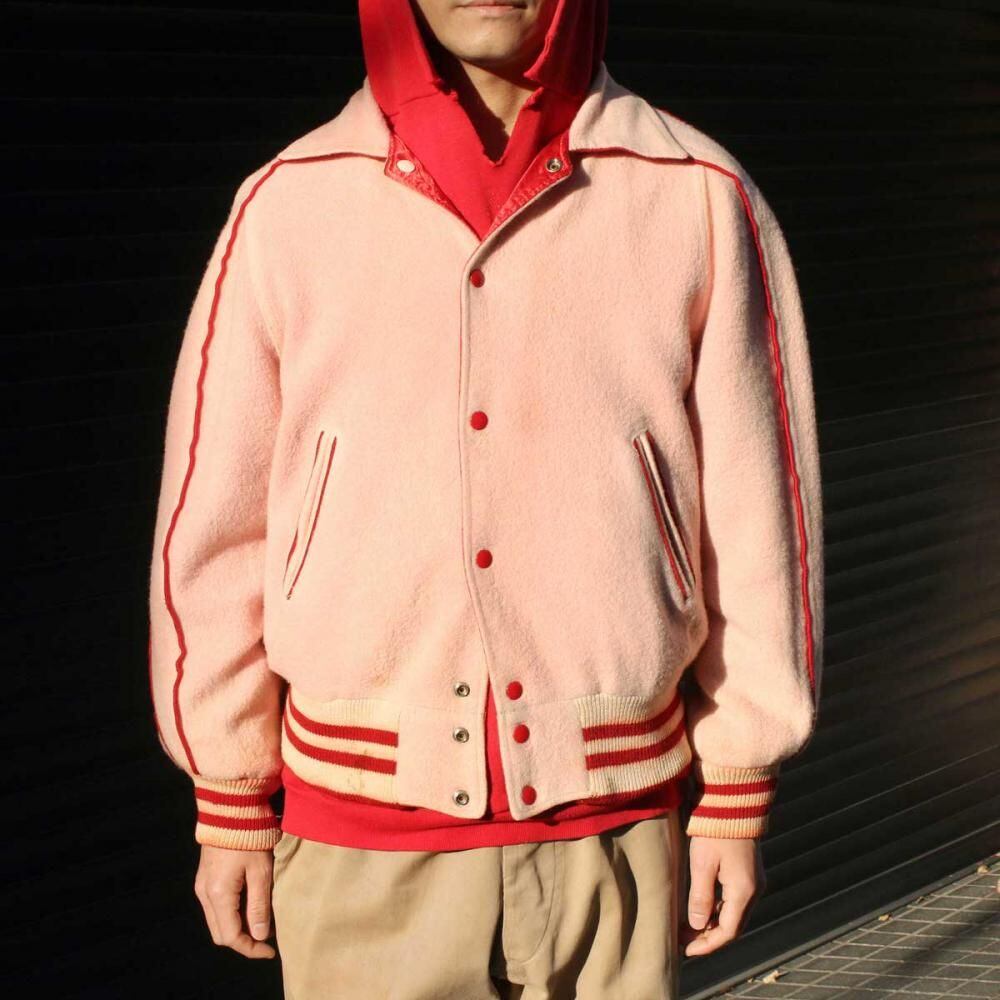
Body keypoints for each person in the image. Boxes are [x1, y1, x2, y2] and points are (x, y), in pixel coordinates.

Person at [146, 1, 825, 996]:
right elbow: (214, 522)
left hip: (612, 822)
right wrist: (229, 793)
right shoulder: (290, 202)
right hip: (359, 833)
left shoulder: (693, 193)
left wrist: (736, 781)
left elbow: (760, 507)